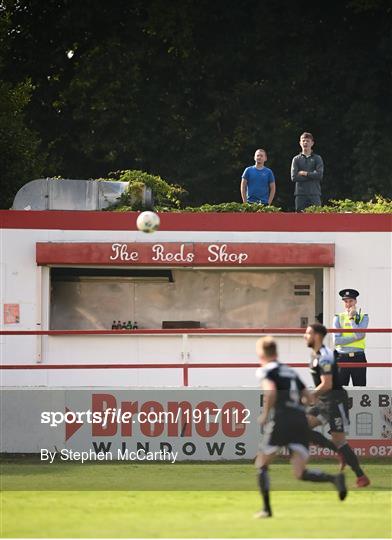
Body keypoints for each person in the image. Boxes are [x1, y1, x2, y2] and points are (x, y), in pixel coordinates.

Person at [254, 336, 347, 519]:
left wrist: (265, 413)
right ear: (276, 352)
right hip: (299, 420)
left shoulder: (266, 370)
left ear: (261, 354)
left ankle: (266, 509)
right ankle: (334, 479)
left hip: (282, 419)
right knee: (299, 472)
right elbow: (308, 397)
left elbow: (271, 392)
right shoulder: (290, 371)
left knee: (262, 464)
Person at [304, 323, 370, 487]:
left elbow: (327, 384)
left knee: (340, 440)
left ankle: (361, 477)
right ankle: (338, 452)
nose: (304, 336)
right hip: (323, 400)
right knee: (302, 427)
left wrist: (311, 395)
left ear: (317, 336)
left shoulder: (325, 356)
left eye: (308, 333)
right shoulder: (314, 354)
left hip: (335, 400)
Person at [333, 289, 369, 386]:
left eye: (351, 301)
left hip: (358, 356)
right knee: (339, 391)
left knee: (360, 389)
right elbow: (336, 340)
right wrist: (357, 337)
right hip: (341, 357)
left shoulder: (364, 316)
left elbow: (360, 335)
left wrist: (351, 318)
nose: (348, 304)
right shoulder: (338, 317)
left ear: (355, 301)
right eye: (346, 301)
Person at [291, 132, 324, 212]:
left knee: (317, 219)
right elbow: (294, 177)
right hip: (300, 194)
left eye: (308, 141)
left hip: (314, 193)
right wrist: (312, 175)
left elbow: (319, 175)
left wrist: (305, 173)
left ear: (312, 143)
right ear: (300, 143)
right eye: (303, 140)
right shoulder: (296, 159)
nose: (305, 143)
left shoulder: (317, 158)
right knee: (299, 220)